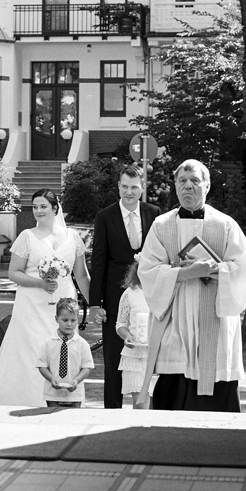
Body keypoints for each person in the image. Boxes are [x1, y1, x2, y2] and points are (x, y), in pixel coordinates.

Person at [137, 159, 246, 412]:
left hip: (213, 318)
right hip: (175, 318)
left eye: (195, 181)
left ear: (208, 185)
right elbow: (147, 270)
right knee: (174, 379)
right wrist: (188, 272)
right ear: (175, 186)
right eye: (182, 181)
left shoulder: (225, 225)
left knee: (213, 378)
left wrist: (216, 270)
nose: (188, 187)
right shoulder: (161, 226)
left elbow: (245, 269)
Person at [0, 189, 92, 407]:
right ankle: (30, 399)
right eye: (35, 207)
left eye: (43, 206)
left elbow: (81, 274)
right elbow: (14, 273)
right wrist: (40, 283)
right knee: (32, 350)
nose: (38, 211)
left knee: (64, 349)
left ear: (55, 208)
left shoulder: (73, 237)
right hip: (31, 304)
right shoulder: (26, 237)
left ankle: (64, 397)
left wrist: (94, 305)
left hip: (64, 303)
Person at [87, 164, 159, 407]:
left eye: (134, 187)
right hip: (115, 299)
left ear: (142, 188)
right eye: (125, 187)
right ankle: (111, 413)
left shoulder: (154, 213)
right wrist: (95, 304)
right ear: (118, 186)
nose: (129, 192)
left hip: (148, 299)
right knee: (114, 362)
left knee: (148, 361)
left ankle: (147, 411)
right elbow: (98, 261)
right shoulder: (105, 217)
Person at [37, 298, 95, 408]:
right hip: (52, 393)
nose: (69, 324)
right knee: (53, 419)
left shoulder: (82, 344)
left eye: (73, 320)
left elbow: (87, 367)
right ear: (56, 319)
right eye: (65, 320)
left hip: (74, 393)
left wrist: (77, 380)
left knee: (73, 420)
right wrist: (51, 378)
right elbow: (42, 365)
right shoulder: (48, 343)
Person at [115, 258, 154, 410]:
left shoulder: (164, 291)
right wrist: (128, 336)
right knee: (140, 402)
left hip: (157, 354)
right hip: (135, 355)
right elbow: (121, 324)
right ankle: (139, 431)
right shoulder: (130, 293)